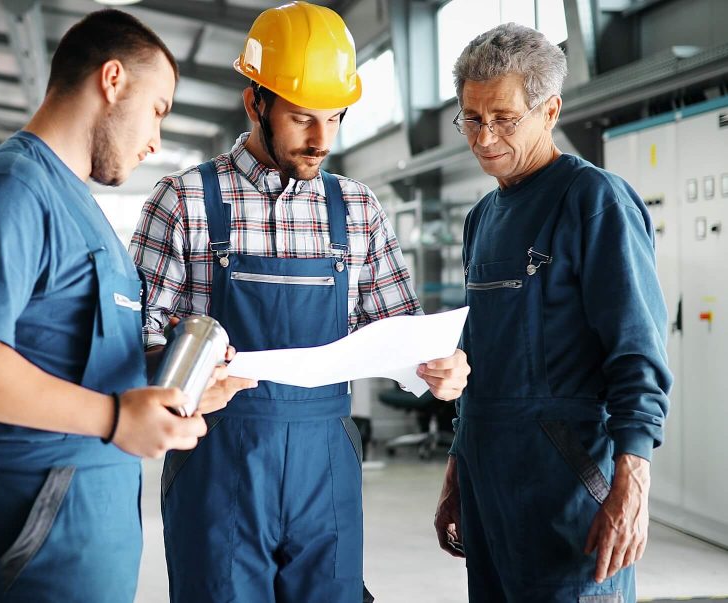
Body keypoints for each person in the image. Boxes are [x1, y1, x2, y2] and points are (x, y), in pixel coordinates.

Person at [0, 9, 254, 602]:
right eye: (158, 110)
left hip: (84, 523)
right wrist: (116, 420)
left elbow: (64, 352)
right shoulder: (6, 189)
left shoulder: (83, 211)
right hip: (25, 526)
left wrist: (166, 388)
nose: (155, 140)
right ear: (112, 80)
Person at [129, 3, 469, 602]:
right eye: (301, 118)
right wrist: (177, 372)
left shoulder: (357, 208)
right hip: (218, 459)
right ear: (254, 102)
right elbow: (130, 338)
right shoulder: (183, 201)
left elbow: (401, 332)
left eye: (335, 119)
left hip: (326, 465)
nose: (321, 141)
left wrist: (441, 367)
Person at [432, 23, 672, 603]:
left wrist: (632, 481)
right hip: (489, 488)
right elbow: (481, 356)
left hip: (569, 488)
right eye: (472, 117)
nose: (485, 136)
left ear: (550, 110)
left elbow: (636, 350)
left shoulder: (595, 201)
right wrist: (459, 466)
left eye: (504, 118)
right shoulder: (482, 218)